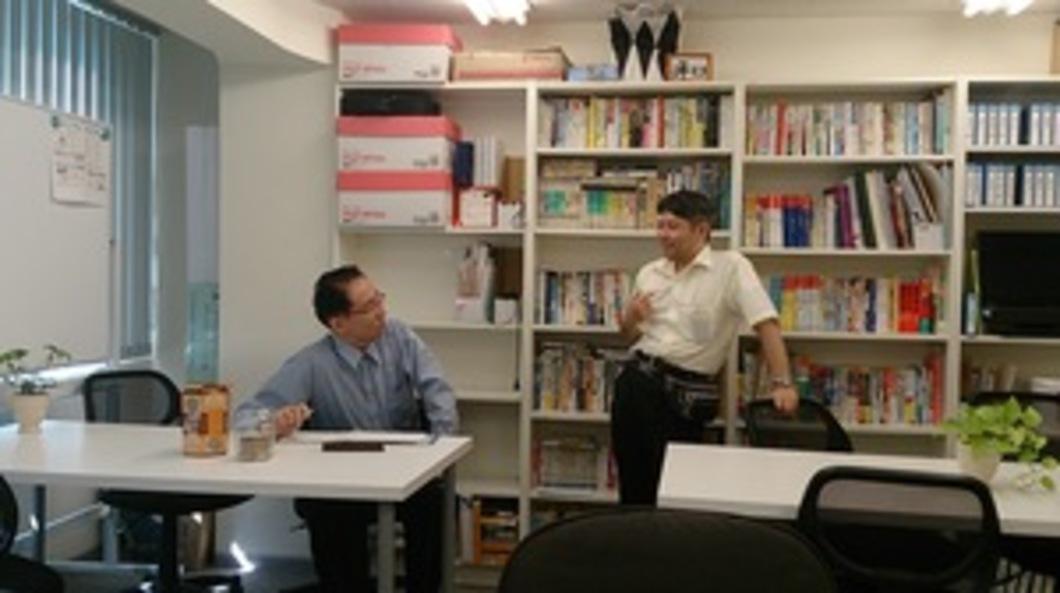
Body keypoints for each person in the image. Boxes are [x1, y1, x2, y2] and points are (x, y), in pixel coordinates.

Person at [238, 264, 457, 593]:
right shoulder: (311, 363)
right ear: (338, 323)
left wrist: (441, 450)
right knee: (327, 512)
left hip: (404, 471)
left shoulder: (399, 336)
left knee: (436, 503)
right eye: (370, 307)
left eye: (379, 298)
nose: (382, 311)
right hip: (344, 482)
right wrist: (274, 423)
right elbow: (246, 417)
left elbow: (436, 388)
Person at [612, 189, 798, 506]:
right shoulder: (649, 272)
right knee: (633, 482)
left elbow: (766, 323)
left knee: (673, 489)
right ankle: (634, 535)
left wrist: (782, 383)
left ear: (701, 230)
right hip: (635, 383)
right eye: (660, 226)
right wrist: (630, 318)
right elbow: (628, 337)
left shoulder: (731, 268)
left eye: (673, 226)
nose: (663, 235)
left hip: (682, 394)